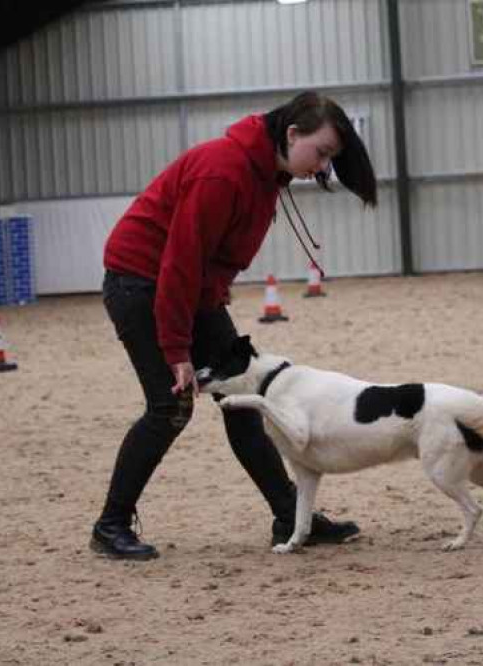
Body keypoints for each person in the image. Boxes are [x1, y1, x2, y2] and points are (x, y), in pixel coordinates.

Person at [91, 91, 378, 560]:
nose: (323, 167)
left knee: (246, 397)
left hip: (188, 287)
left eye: (331, 158)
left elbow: (212, 256)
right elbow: (180, 262)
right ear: (291, 133)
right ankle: (110, 525)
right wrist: (177, 350)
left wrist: (215, 293)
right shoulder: (224, 170)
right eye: (321, 153)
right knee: (170, 405)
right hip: (141, 284)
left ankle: (290, 517)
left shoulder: (267, 174)